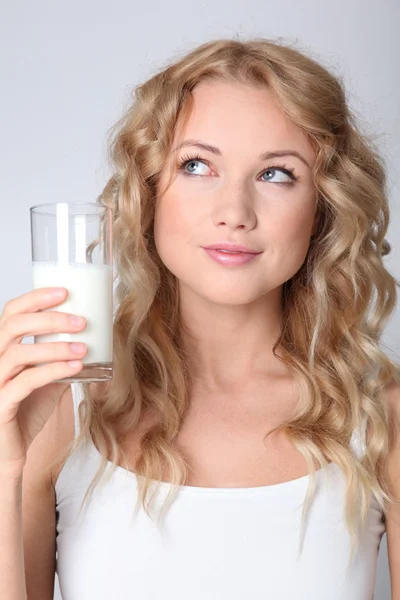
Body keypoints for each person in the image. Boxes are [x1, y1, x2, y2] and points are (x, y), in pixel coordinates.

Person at [1, 37, 400, 600]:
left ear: (323, 209)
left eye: (276, 174)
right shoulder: (60, 408)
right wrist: (2, 469)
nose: (233, 213)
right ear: (150, 192)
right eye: (196, 165)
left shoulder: (379, 414)